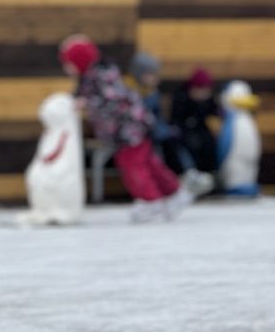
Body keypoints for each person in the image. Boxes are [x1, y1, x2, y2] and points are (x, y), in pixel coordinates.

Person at [61, 34, 191, 221]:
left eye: (69, 63)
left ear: (80, 62)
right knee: (150, 163)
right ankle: (173, 192)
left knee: (133, 166)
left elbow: (113, 101)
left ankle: (150, 201)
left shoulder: (101, 77)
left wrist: (87, 103)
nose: (66, 68)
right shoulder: (92, 77)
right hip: (129, 129)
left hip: (129, 131)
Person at [130, 50, 212, 193]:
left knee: (175, 140)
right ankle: (178, 178)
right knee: (163, 145)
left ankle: (188, 173)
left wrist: (166, 130)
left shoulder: (152, 93)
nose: (155, 78)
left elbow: (157, 117)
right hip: (136, 134)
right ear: (140, 74)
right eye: (151, 74)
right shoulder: (130, 93)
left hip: (154, 132)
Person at [170, 67, 222, 178]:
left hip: (201, 133)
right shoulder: (181, 99)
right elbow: (176, 122)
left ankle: (211, 174)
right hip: (185, 135)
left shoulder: (208, 100)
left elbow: (215, 111)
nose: (205, 94)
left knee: (209, 143)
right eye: (202, 90)